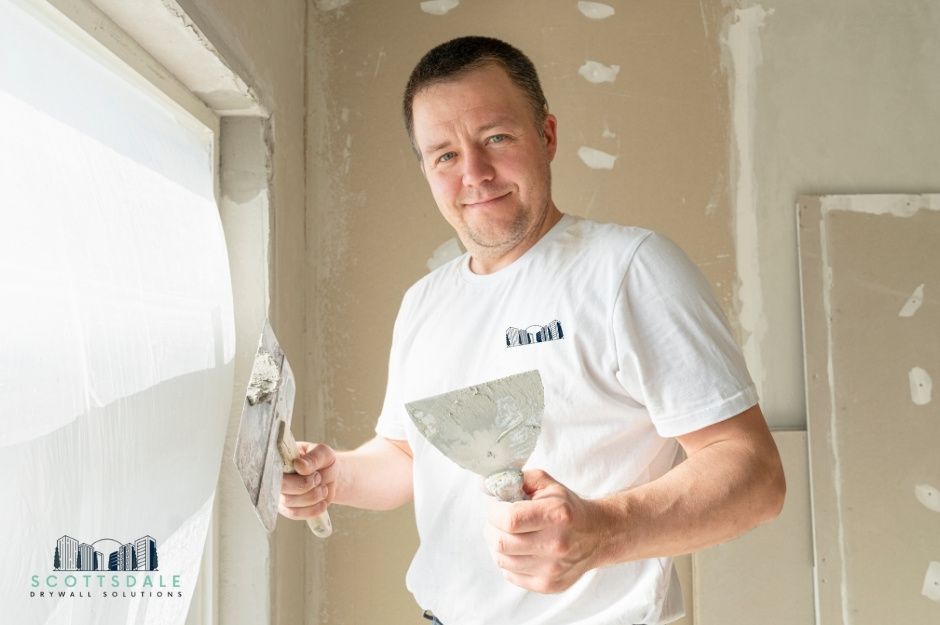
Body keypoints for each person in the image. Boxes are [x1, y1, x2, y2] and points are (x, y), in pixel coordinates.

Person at [280, 36, 786, 625]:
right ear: (426, 169)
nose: (474, 173)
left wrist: (603, 531)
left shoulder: (627, 269)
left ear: (546, 136)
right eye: (444, 154)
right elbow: (406, 456)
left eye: (496, 137)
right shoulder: (425, 302)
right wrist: (333, 475)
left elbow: (754, 475)